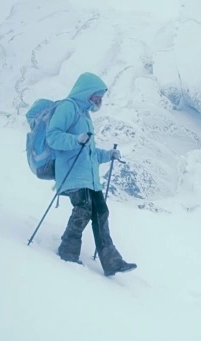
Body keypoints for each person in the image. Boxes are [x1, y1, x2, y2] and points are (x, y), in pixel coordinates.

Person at [46, 72, 136, 276]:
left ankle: (112, 262)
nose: (99, 100)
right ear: (86, 93)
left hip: (89, 177)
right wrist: (76, 139)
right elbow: (53, 137)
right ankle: (67, 251)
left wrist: (108, 155)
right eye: (97, 95)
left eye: (101, 97)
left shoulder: (85, 116)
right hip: (72, 174)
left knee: (101, 212)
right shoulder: (68, 107)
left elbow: (90, 152)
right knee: (84, 209)